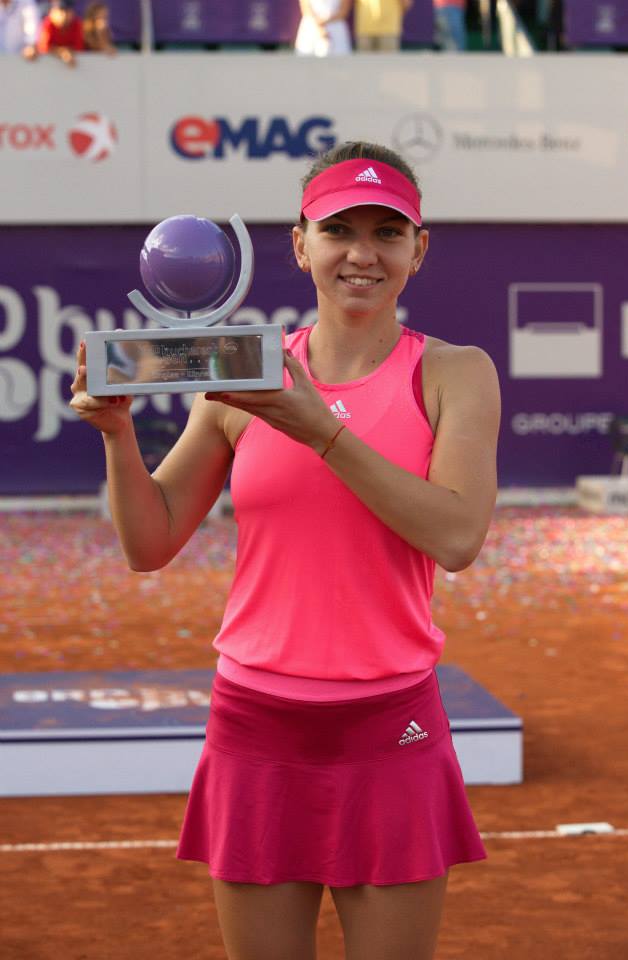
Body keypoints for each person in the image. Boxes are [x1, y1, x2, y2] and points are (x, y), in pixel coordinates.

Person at [70, 140, 500, 960]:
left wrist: (319, 431)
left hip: (391, 727)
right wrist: (118, 436)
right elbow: (150, 542)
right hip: (256, 728)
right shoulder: (246, 372)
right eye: (339, 230)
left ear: (419, 249)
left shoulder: (455, 373)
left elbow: (456, 536)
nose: (363, 254)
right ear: (301, 245)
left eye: (387, 232)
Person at [37, 0, 84, 67]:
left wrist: (65, 52)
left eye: (67, 11)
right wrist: (62, 52)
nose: (64, 15)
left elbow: (79, 48)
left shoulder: (77, 24)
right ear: (52, 12)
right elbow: (43, 48)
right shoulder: (48, 24)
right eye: (60, 11)